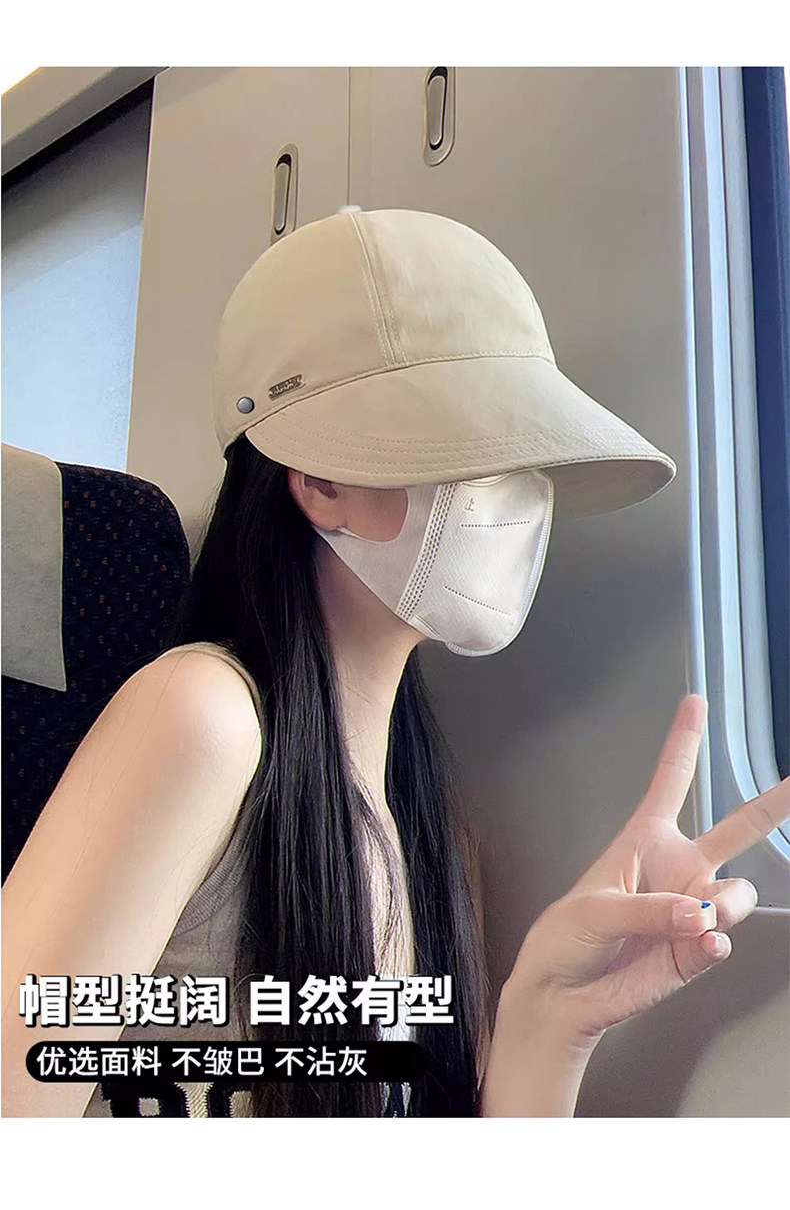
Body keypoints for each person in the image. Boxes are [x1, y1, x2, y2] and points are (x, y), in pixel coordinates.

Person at [3, 208, 788, 1118]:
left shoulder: (428, 823)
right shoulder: (201, 715)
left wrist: (550, 1014)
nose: (521, 498)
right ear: (318, 478)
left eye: (529, 455)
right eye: (475, 443)